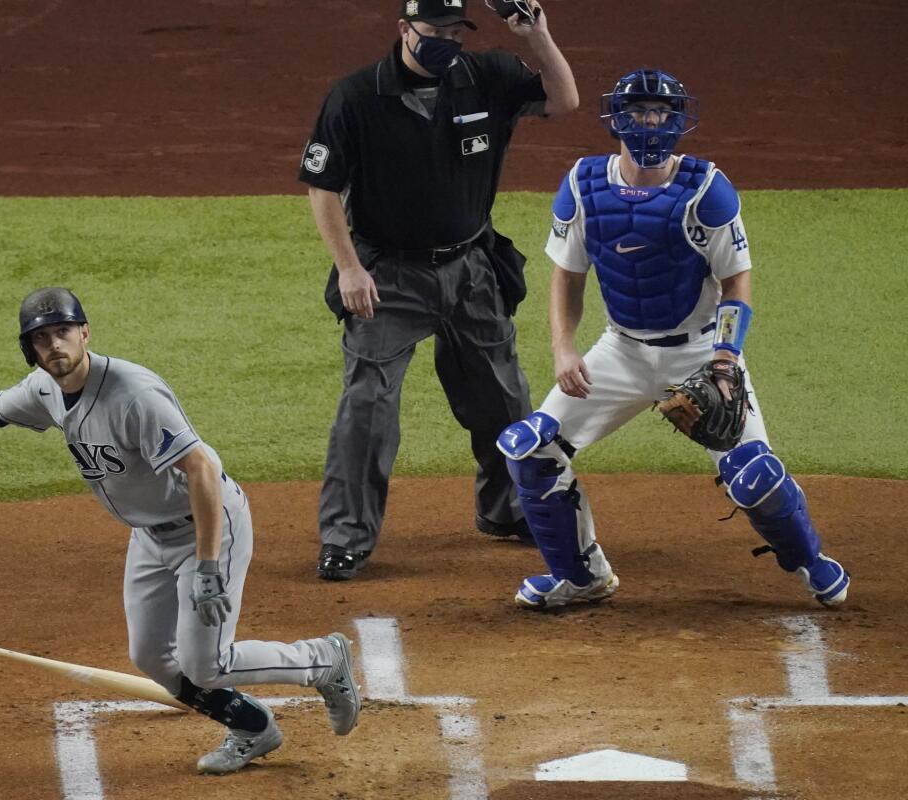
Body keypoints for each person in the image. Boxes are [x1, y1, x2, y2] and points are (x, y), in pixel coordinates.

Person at [0, 287, 361, 774]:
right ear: (31, 349)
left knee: (206, 665)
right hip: (150, 535)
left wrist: (207, 564)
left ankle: (322, 660)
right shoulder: (46, 389)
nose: (53, 345)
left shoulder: (134, 394)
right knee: (150, 657)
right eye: (40, 338)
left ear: (85, 333)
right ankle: (252, 728)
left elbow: (200, 469)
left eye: (62, 332)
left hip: (207, 527)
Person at [495, 70, 851, 610]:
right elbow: (567, 275)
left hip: (700, 353)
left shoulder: (706, 189)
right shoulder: (583, 184)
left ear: (677, 118)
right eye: (639, 111)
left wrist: (727, 359)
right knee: (531, 450)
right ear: (618, 117)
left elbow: (737, 282)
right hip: (621, 350)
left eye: (660, 112)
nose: (650, 123)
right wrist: (564, 348)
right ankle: (580, 577)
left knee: (752, 475)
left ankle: (810, 561)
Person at [299, 0, 578, 581]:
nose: (448, 42)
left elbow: (565, 100)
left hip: (471, 268)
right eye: (435, 31)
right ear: (404, 29)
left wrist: (539, 38)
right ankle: (346, 537)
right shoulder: (355, 96)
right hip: (388, 276)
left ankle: (508, 509)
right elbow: (322, 189)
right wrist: (349, 268)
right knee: (367, 406)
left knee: (502, 398)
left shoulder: (487, 77)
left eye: (456, 32)